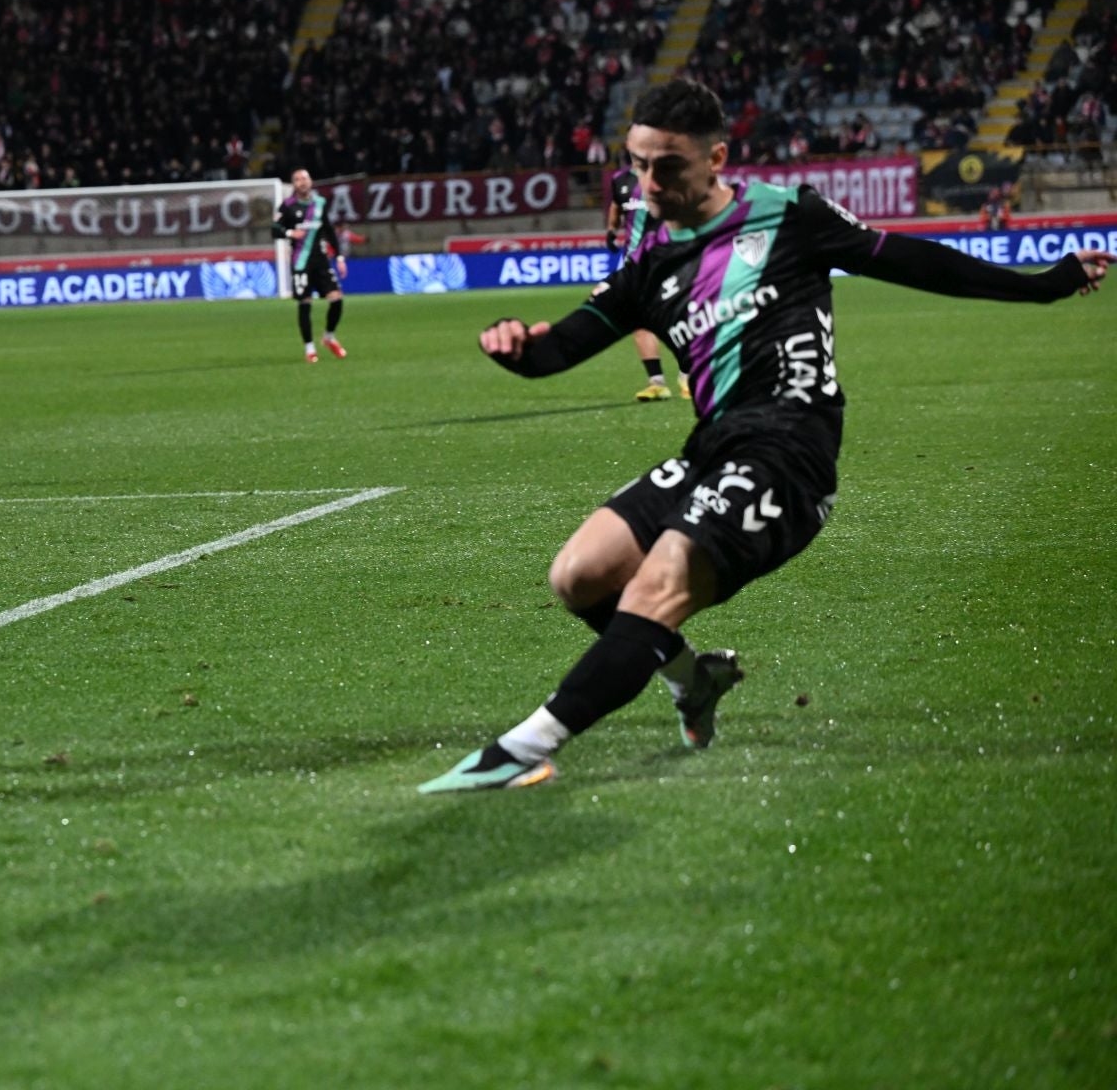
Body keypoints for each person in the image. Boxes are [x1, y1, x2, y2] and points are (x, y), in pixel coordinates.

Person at [419, 78, 1110, 794]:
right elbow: (555, 351)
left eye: (668, 166)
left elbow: (909, 260)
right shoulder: (650, 265)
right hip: (713, 447)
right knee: (579, 575)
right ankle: (694, 678)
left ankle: (523, 749)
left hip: (790, 450)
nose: (648, 182)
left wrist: (1041, 283)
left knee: (658, 585)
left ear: (717, 158)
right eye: (637, 164)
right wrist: (513, 346)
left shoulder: (789, 216)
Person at [605, 164, 691, 403]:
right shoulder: (620, 179)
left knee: (681, 317)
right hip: (633, 263)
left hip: (667, 259)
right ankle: (657, 383)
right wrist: (611, 230)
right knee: (639, 322)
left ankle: (688, 376)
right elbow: (616, 205)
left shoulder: (669, 176)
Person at [272, 168, 348, 363]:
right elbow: (274, 229)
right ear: (293, 184)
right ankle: (309, 349)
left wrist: (339, 257)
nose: (302, 182)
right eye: (297, 179)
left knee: (337, 299)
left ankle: (329, 337)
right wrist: (290, 233)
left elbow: (329, 231)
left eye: (304, 178)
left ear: (311, 181)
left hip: (321, 261)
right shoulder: (287, 206)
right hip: (300, 262)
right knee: (305, 303)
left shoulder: (320, 204)